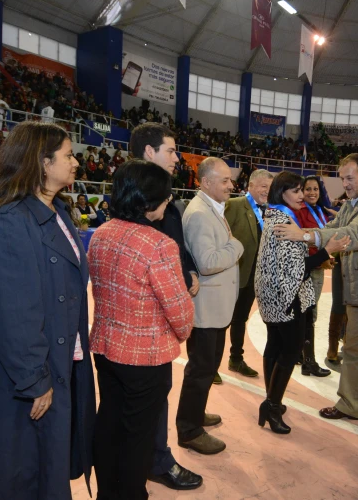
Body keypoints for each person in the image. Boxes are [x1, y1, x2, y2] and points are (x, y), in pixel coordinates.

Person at [0, 122, 96, 499]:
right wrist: (35, 378)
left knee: (43, 472)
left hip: (55, 365)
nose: (75, 162)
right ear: (41, 161)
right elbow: (13, 312)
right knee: (18, 477)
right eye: (68, 155)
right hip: (22, 379)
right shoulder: (10, 220)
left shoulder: (58, 211)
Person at [277, 153, 358, 441]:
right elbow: (332, 230)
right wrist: (310, 234)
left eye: (350, 178)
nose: (345, 183)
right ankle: (350, 404)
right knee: (353, 351)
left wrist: (304, 236)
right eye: (342, 178)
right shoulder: (354, 203)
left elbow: (354, 235)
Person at [88, 161, 194, 500]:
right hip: (145, 359)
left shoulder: (102, 232)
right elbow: (181, 316)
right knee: (138, 438)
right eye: (165, 197)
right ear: (150, 200)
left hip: (106, 348)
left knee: (109, 426)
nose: (168, 202)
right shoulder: (158, 244)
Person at [127, 123, 202, 491]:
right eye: (171, 150)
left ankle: (151, 456)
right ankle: (154, 460)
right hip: (144, 320)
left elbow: (176, 239)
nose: (177, 157)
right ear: (149, 153)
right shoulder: (137, 199)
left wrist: (187, 269)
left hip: (161, 314)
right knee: (147, 399)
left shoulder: (164, 198)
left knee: (156, 395)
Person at [254, 172, 350, 434]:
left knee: (274, 346)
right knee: (289, 350)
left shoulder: (276, 215)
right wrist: (327, 251)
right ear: (281, 193)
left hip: (274, 295)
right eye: (296, 191)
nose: (302, 196)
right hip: (287, 297)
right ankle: (272, 405)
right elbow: (299, 270)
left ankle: (271, 399)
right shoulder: (284, 221)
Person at [177, 157, 243, 455]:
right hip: (206, 309)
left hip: (214, 307)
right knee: (201, 370)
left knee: (205, 367)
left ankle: (195, 414)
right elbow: (208, 262)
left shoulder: (211, 208)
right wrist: (236, 246)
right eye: (225, 180)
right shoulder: (201, 214)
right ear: (205, 182)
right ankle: (189, 430)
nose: (231, 185)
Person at [223, 169, 274, 379]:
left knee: (240, 319)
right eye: (263, 187)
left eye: (270, 188)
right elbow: (222, 238)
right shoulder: (234, 205)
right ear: (251, 185)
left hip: (253, 277)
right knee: (218, 322)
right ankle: (209, 367)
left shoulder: (270, 210)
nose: (267, 191)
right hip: (230, 275)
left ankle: (236, 359)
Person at [293, 175, 336, 376]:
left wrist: (328, 256)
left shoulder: (322, 211)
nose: (312, 193)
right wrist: (322, 257)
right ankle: (308, 361)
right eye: (308, 189)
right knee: (309, 313)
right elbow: (303, 240)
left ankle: (301, 355)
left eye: (315, 189)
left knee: (308, 313)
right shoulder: (300, 211)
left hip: (318, 266)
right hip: (309, 269)